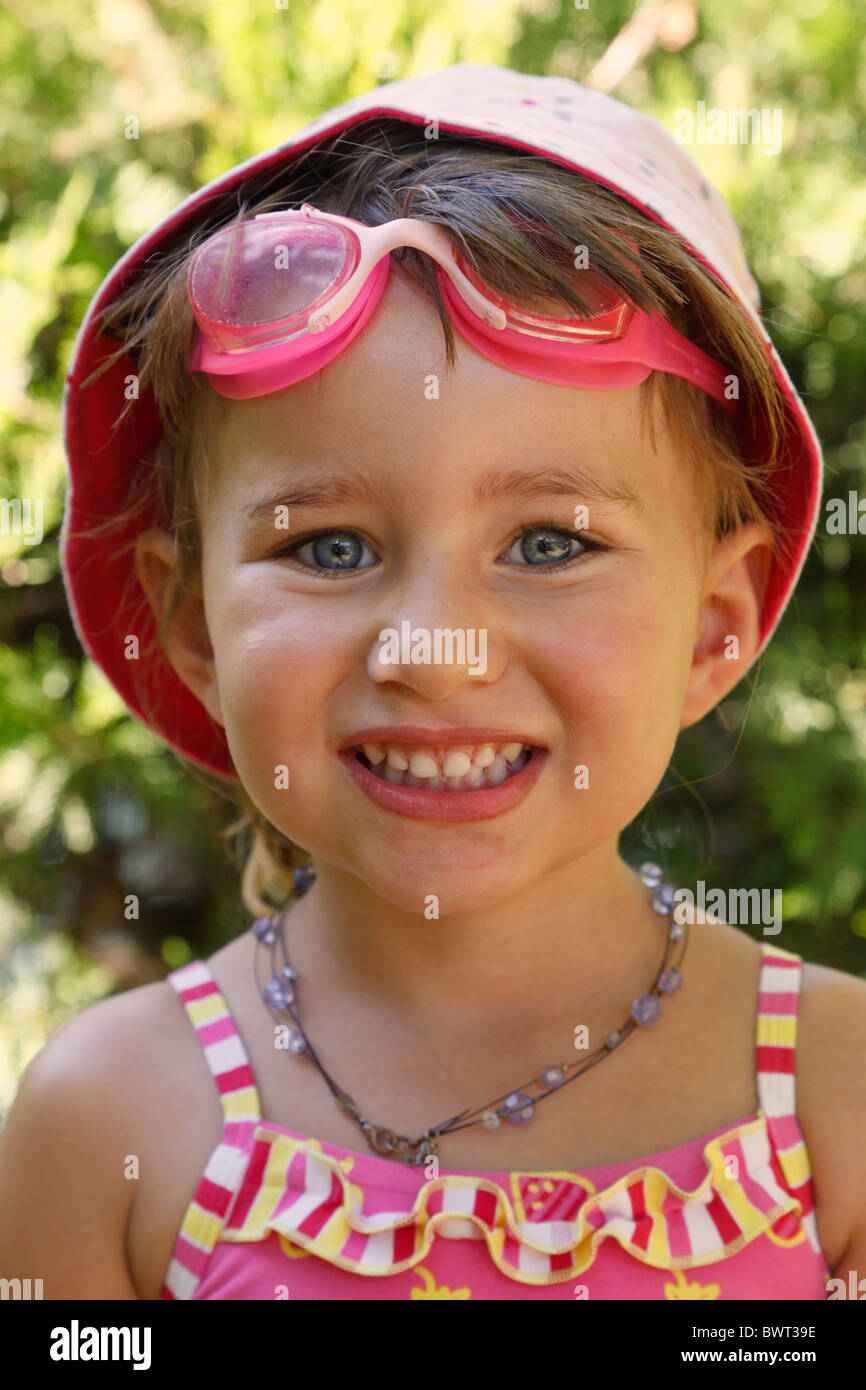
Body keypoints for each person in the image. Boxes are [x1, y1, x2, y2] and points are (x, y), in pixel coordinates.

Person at [1, 62, 863, 1302]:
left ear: (710, 628)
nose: (434, 651)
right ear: (191, 623)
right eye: (327, 547)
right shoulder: (113, 1127)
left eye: (549, 543)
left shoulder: (832, 1102)